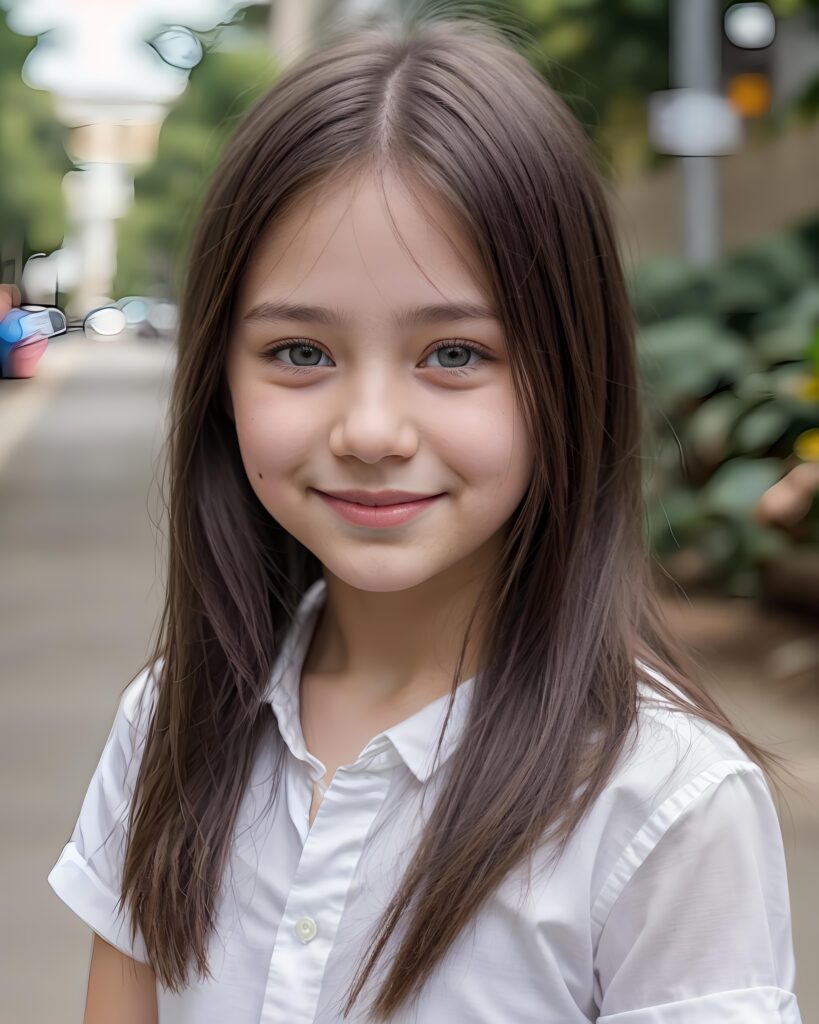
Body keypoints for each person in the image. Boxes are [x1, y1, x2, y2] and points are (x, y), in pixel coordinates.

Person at [46, 13, 803, 1024]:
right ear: (218, 379)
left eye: (454, 353)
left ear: (570, 374)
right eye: (300, 353)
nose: (369, 430)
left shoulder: (661, 801)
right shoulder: (172, 723)